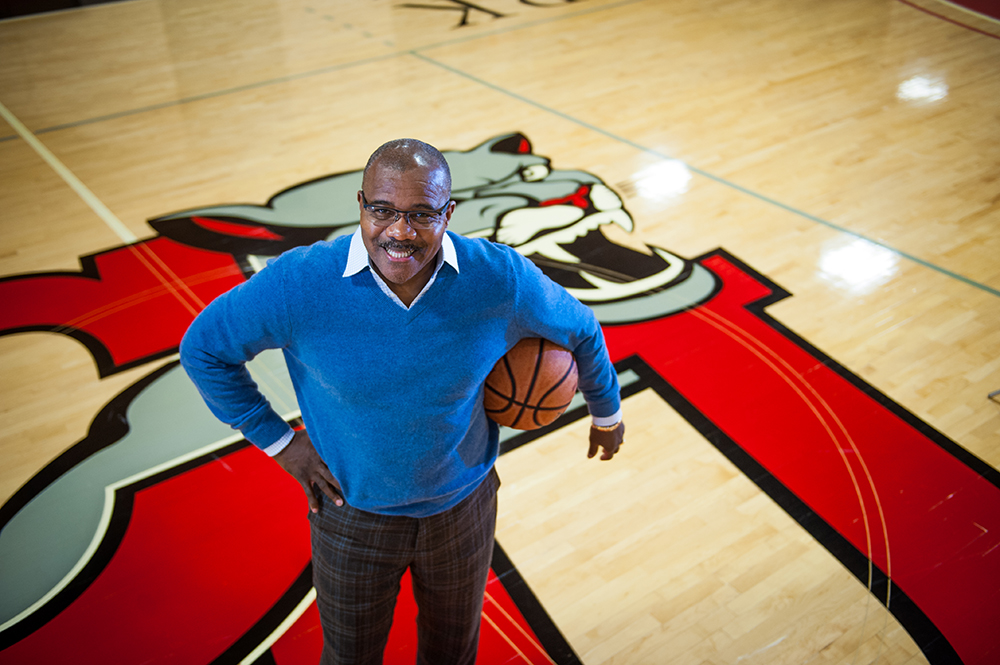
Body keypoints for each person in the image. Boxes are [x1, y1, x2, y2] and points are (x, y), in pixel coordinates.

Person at [179, 138, 626, 664]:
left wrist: (606, 412)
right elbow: (203, 349)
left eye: (421, 214)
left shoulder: (499, 279)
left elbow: (581, 328)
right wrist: (280, 443)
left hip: (463, 506)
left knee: (452, 652)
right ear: (361, 205)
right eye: (383, 210)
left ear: (448, 213)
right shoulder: (299, 283)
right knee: (350, 657)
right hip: (350, 512)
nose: (400, 231)